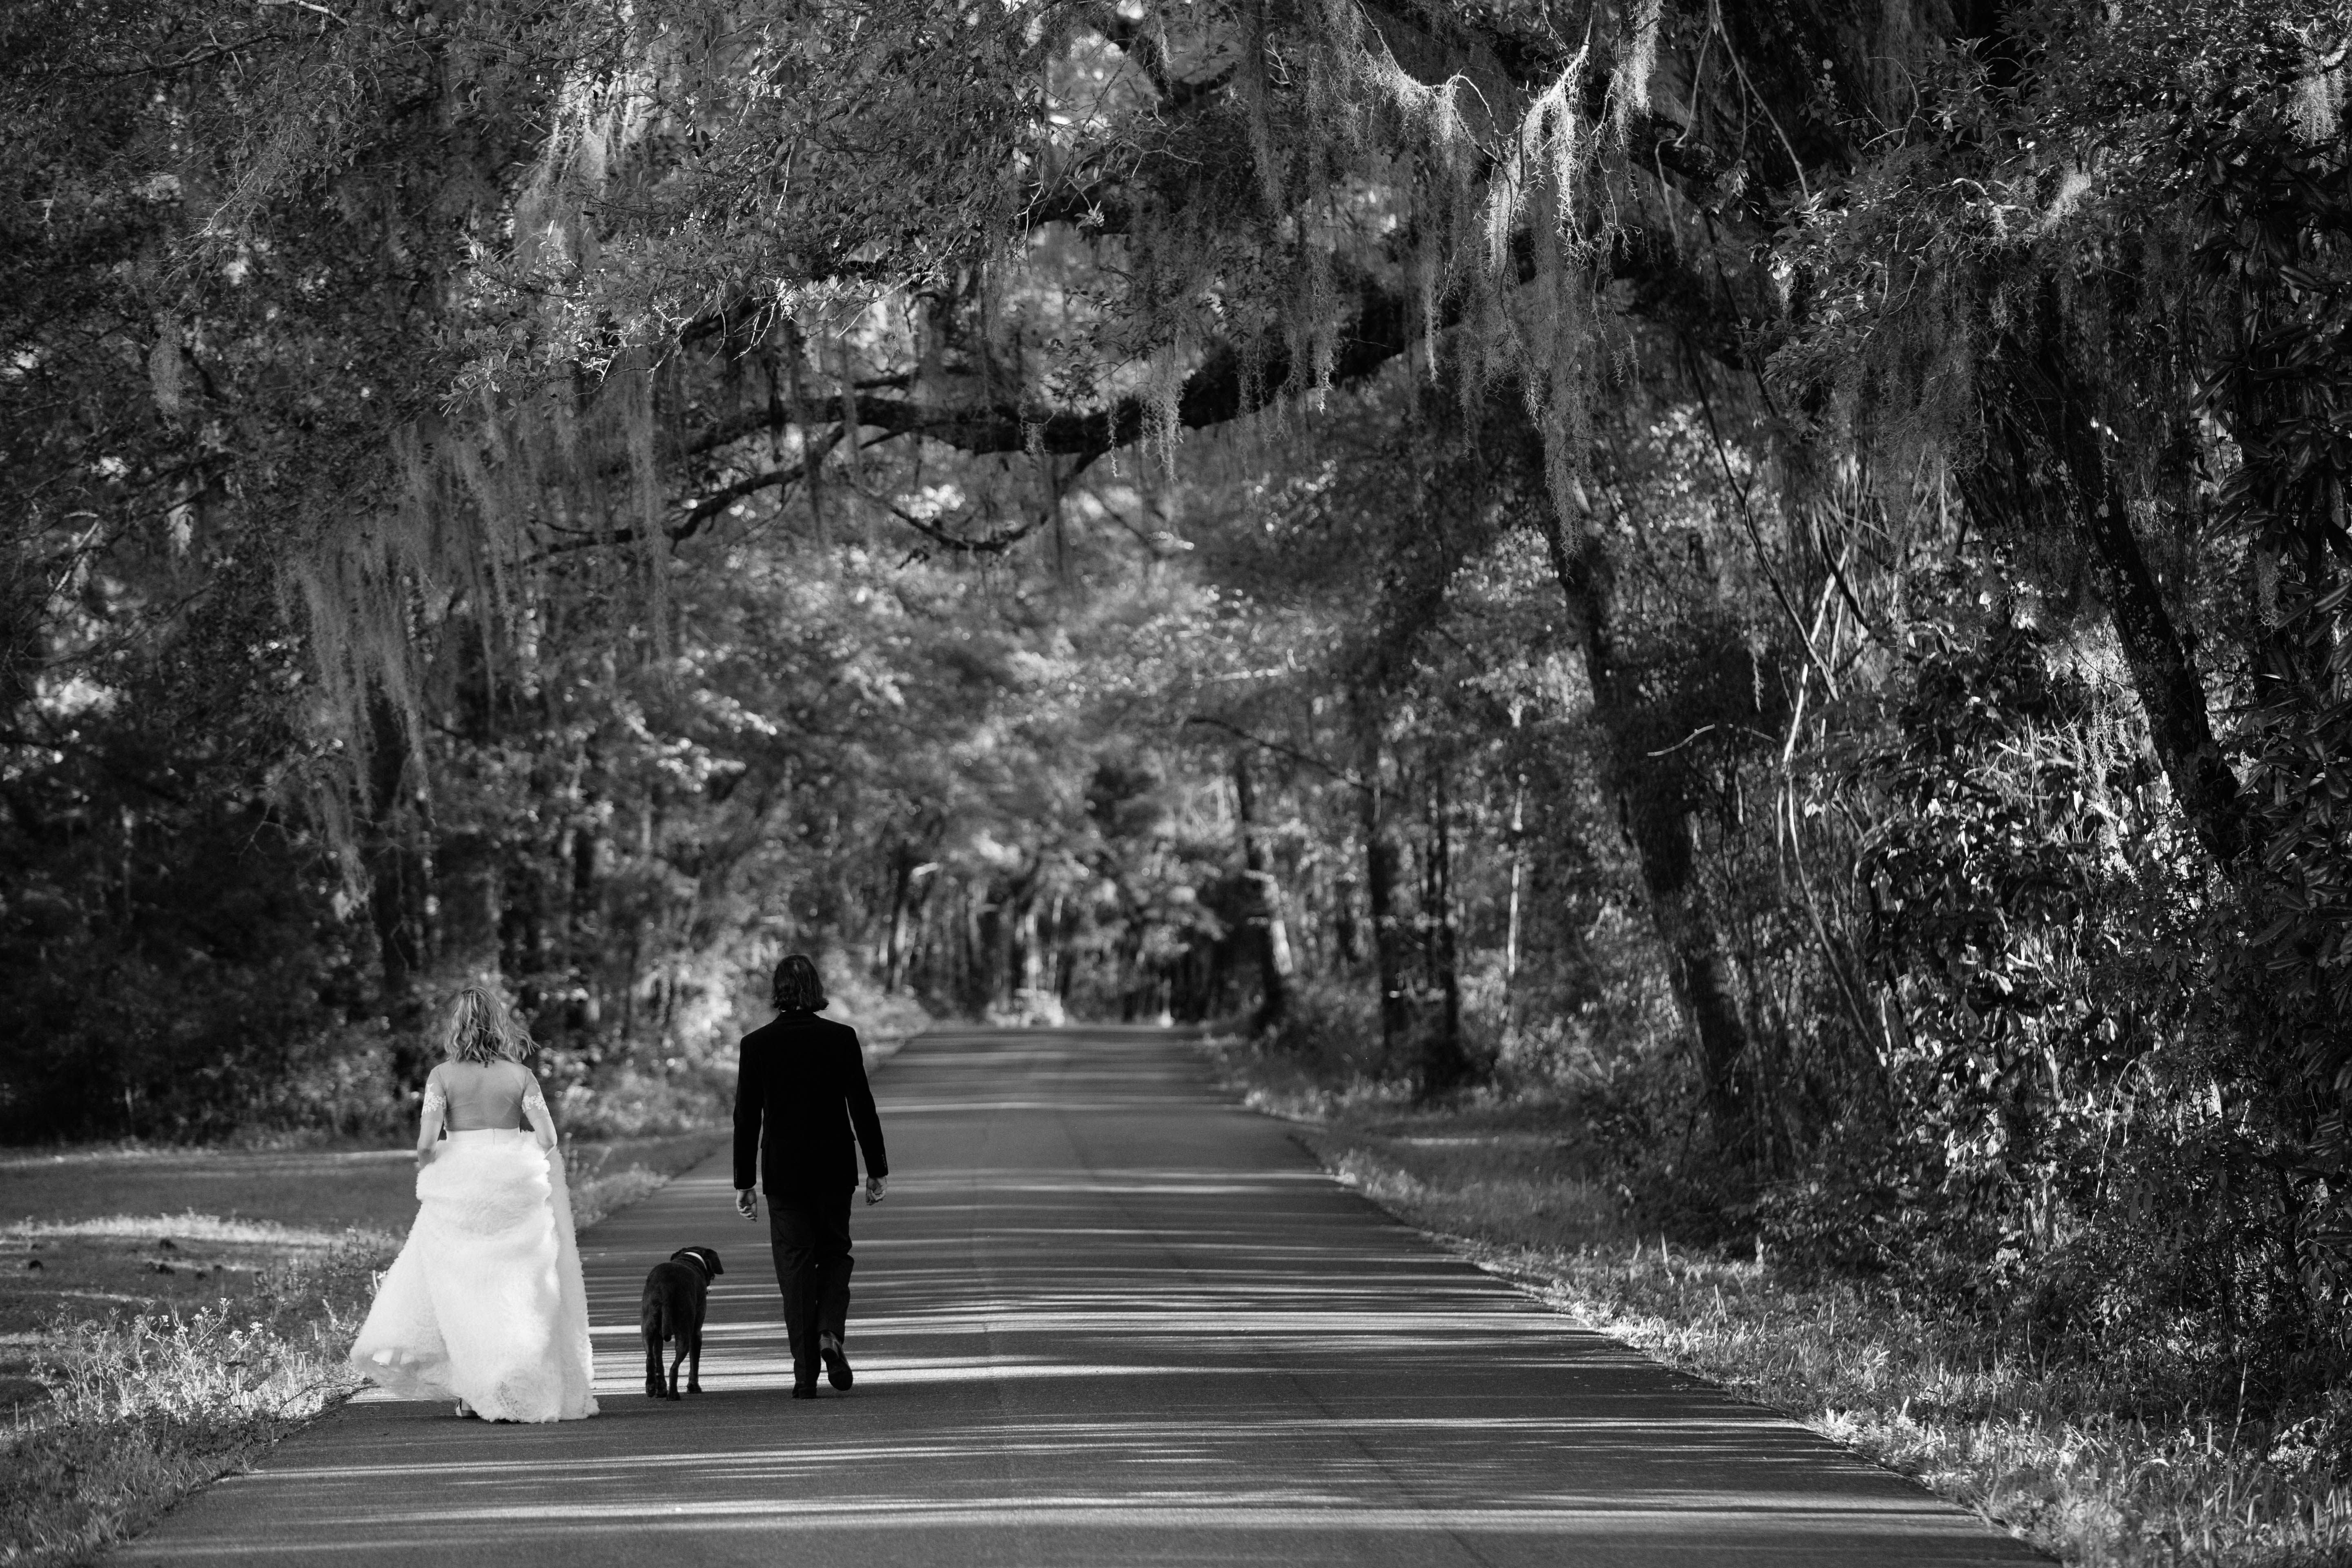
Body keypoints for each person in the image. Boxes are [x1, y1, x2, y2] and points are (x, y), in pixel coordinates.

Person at [348, 986, 598, 1423]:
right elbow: (549, 1137)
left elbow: (427, 1142)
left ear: (456, 1027)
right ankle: (516, 1382)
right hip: (513, 1186)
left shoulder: (441, 1076)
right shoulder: (521, 1076)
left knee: (462, 1293)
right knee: (515, 1290)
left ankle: (472, 1389)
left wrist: (432, 1168)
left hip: (460, 1184)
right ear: (499, 1024)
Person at [732, 953, 888, 1399]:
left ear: (777, 992)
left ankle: (805, 1377)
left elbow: (747, 1118)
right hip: (834, 1169)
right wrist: (876, 1167)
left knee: (795, 1266)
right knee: (836, 1253)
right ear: (816, 989)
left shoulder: (757, 1044)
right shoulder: (840, 1038)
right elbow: (861, 1104)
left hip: (784, 1174)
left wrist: (744, 1181)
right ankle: (829, 1333)